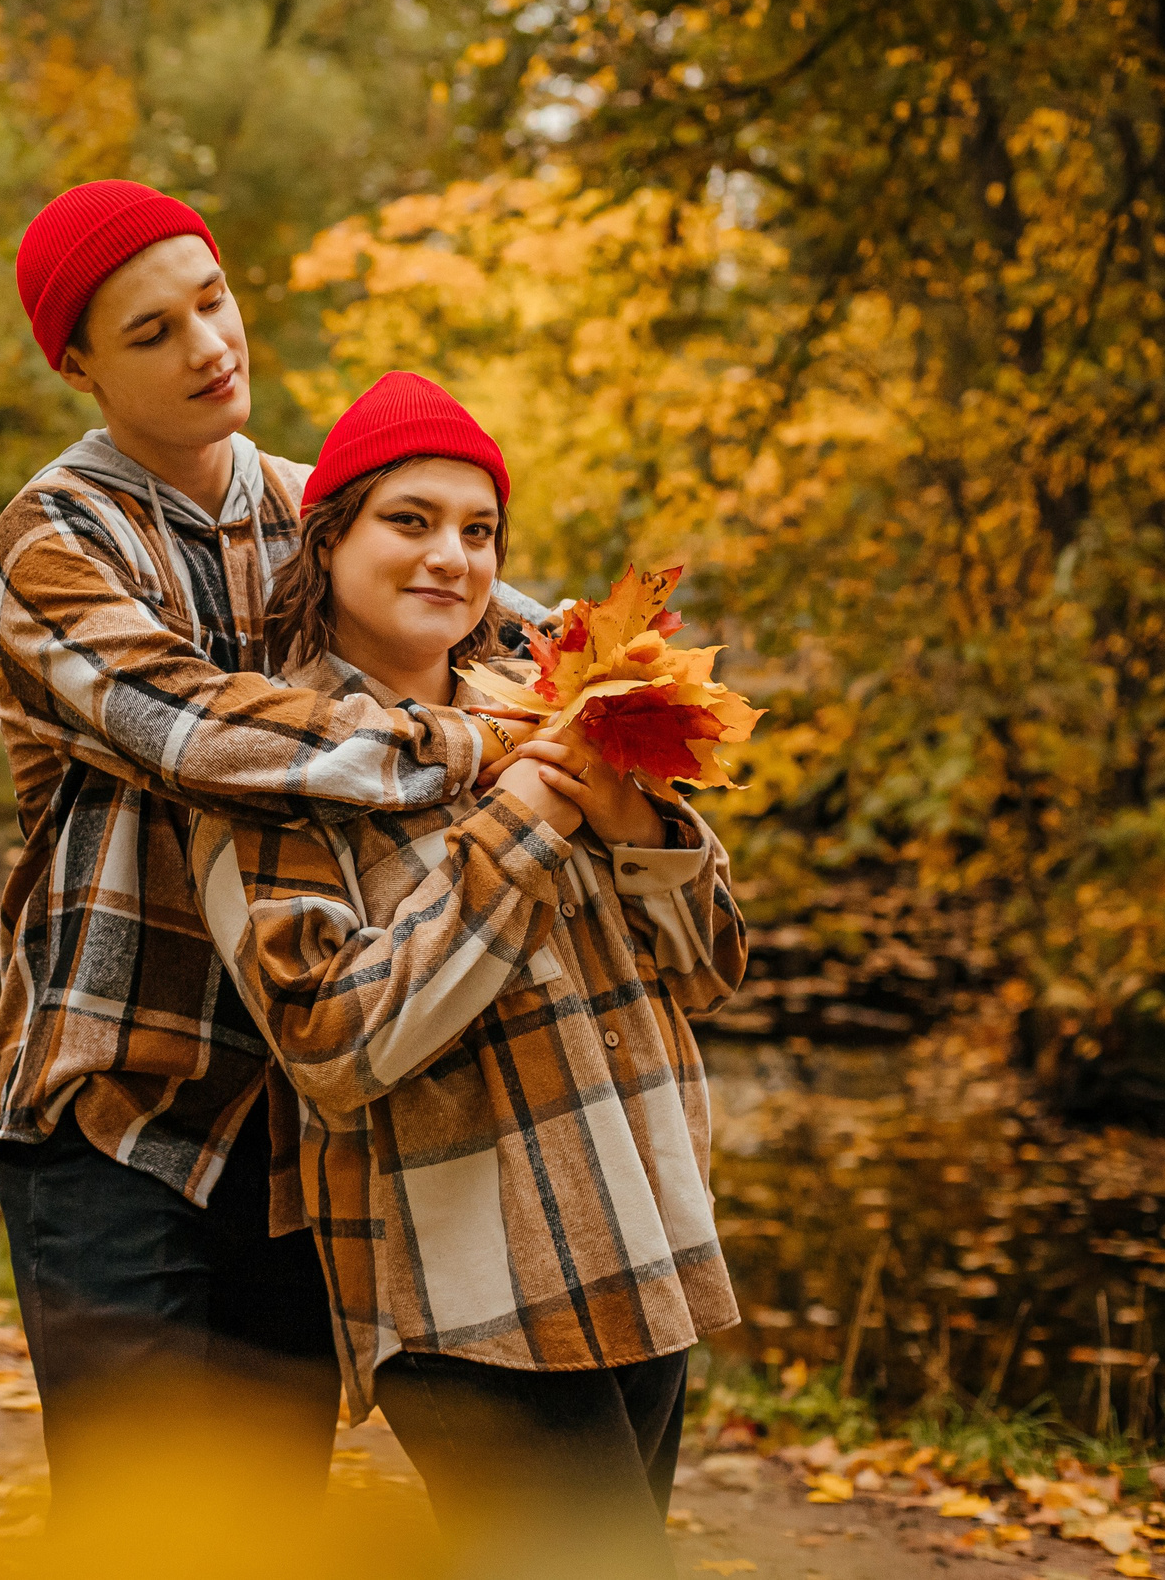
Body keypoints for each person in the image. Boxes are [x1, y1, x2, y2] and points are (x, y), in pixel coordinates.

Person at [0, 182, 545, 1527]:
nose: (208, 346)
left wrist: (602, 684)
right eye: (154, 330)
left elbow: (520, 643)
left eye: (214, 300)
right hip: (120, 1103)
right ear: (80, 364)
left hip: (302, 1112)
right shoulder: (52, 539)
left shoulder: (324, 503)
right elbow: (194, 732)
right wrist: (467, 743)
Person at [188, 372, 748, 1579]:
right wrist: (528, 827)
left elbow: (708, 972)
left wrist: (638, 825)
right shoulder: (269, 770)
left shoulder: (558, 708)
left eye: (479, 529)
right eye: (409, 519)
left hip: (643, 1234)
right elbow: (337, 1048)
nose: (451, 555)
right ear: (327, 536)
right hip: (472, 1293)